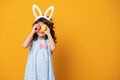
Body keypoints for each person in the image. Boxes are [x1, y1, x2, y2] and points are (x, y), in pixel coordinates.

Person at [22, 4, 56, 80]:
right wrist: (32, 32)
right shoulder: (33, 41)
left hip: (46, 70)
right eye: (39, 27)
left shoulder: (48, 41)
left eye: (44, 27)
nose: (41, 30)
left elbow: (53, 48)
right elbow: (24, 45)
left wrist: (48, 33)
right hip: (33, 70)